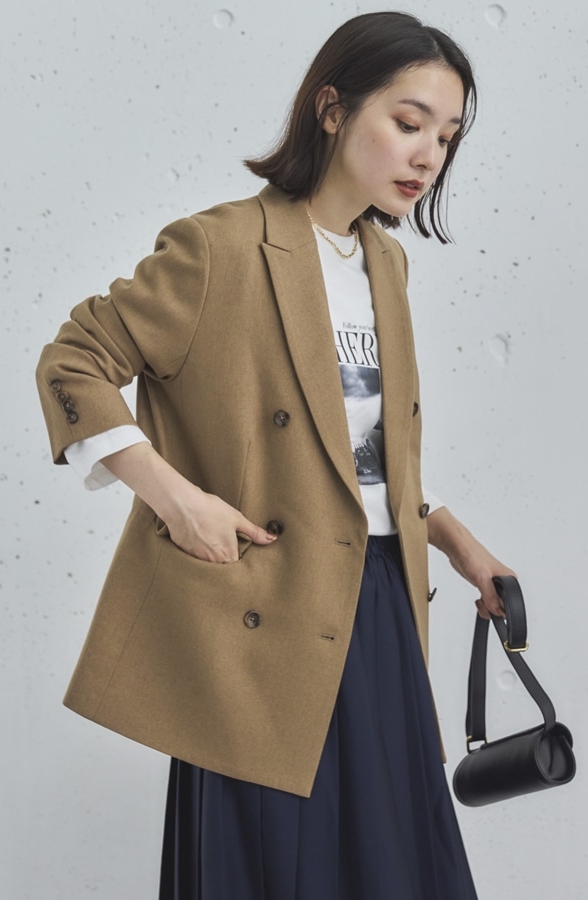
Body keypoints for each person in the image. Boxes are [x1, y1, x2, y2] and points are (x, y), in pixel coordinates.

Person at [36, 11, 514, 899]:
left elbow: (359, 452)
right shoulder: (218, 247)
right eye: (408, 122)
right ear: (331, 109)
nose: (428, 156)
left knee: (394, 865)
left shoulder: (386, 264)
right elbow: (73, 363)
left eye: (446, 137)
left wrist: (455, 540)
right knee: (275, 865)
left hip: (379, 601)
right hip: (267, 610)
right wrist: (177, 500)